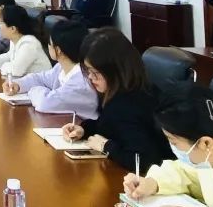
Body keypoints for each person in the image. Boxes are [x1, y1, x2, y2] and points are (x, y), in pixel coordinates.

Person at [61, 28, 172, 172]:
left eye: (95, 72)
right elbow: (111, 126)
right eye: (88, 71)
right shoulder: (133, 89)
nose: (91, 77)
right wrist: (84, 129)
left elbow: (144, 161)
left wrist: (106, 146)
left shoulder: (127, 105)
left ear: (115, 70)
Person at [2, 19, 98, 117]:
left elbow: (45, 103)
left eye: (49, 43)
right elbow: (40, 78)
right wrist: (18, 85)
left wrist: (33, 90)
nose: (48, 46)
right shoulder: (60, 68)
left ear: (58, 50)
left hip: (82, 125)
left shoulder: (82, 81)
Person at [0, 5, 52, 77]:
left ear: (13, 28)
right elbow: (9, 56)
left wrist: (4, 66)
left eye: (1, 23)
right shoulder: (16, 39)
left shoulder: (29, 44)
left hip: (40, 85)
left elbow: (16, 71)